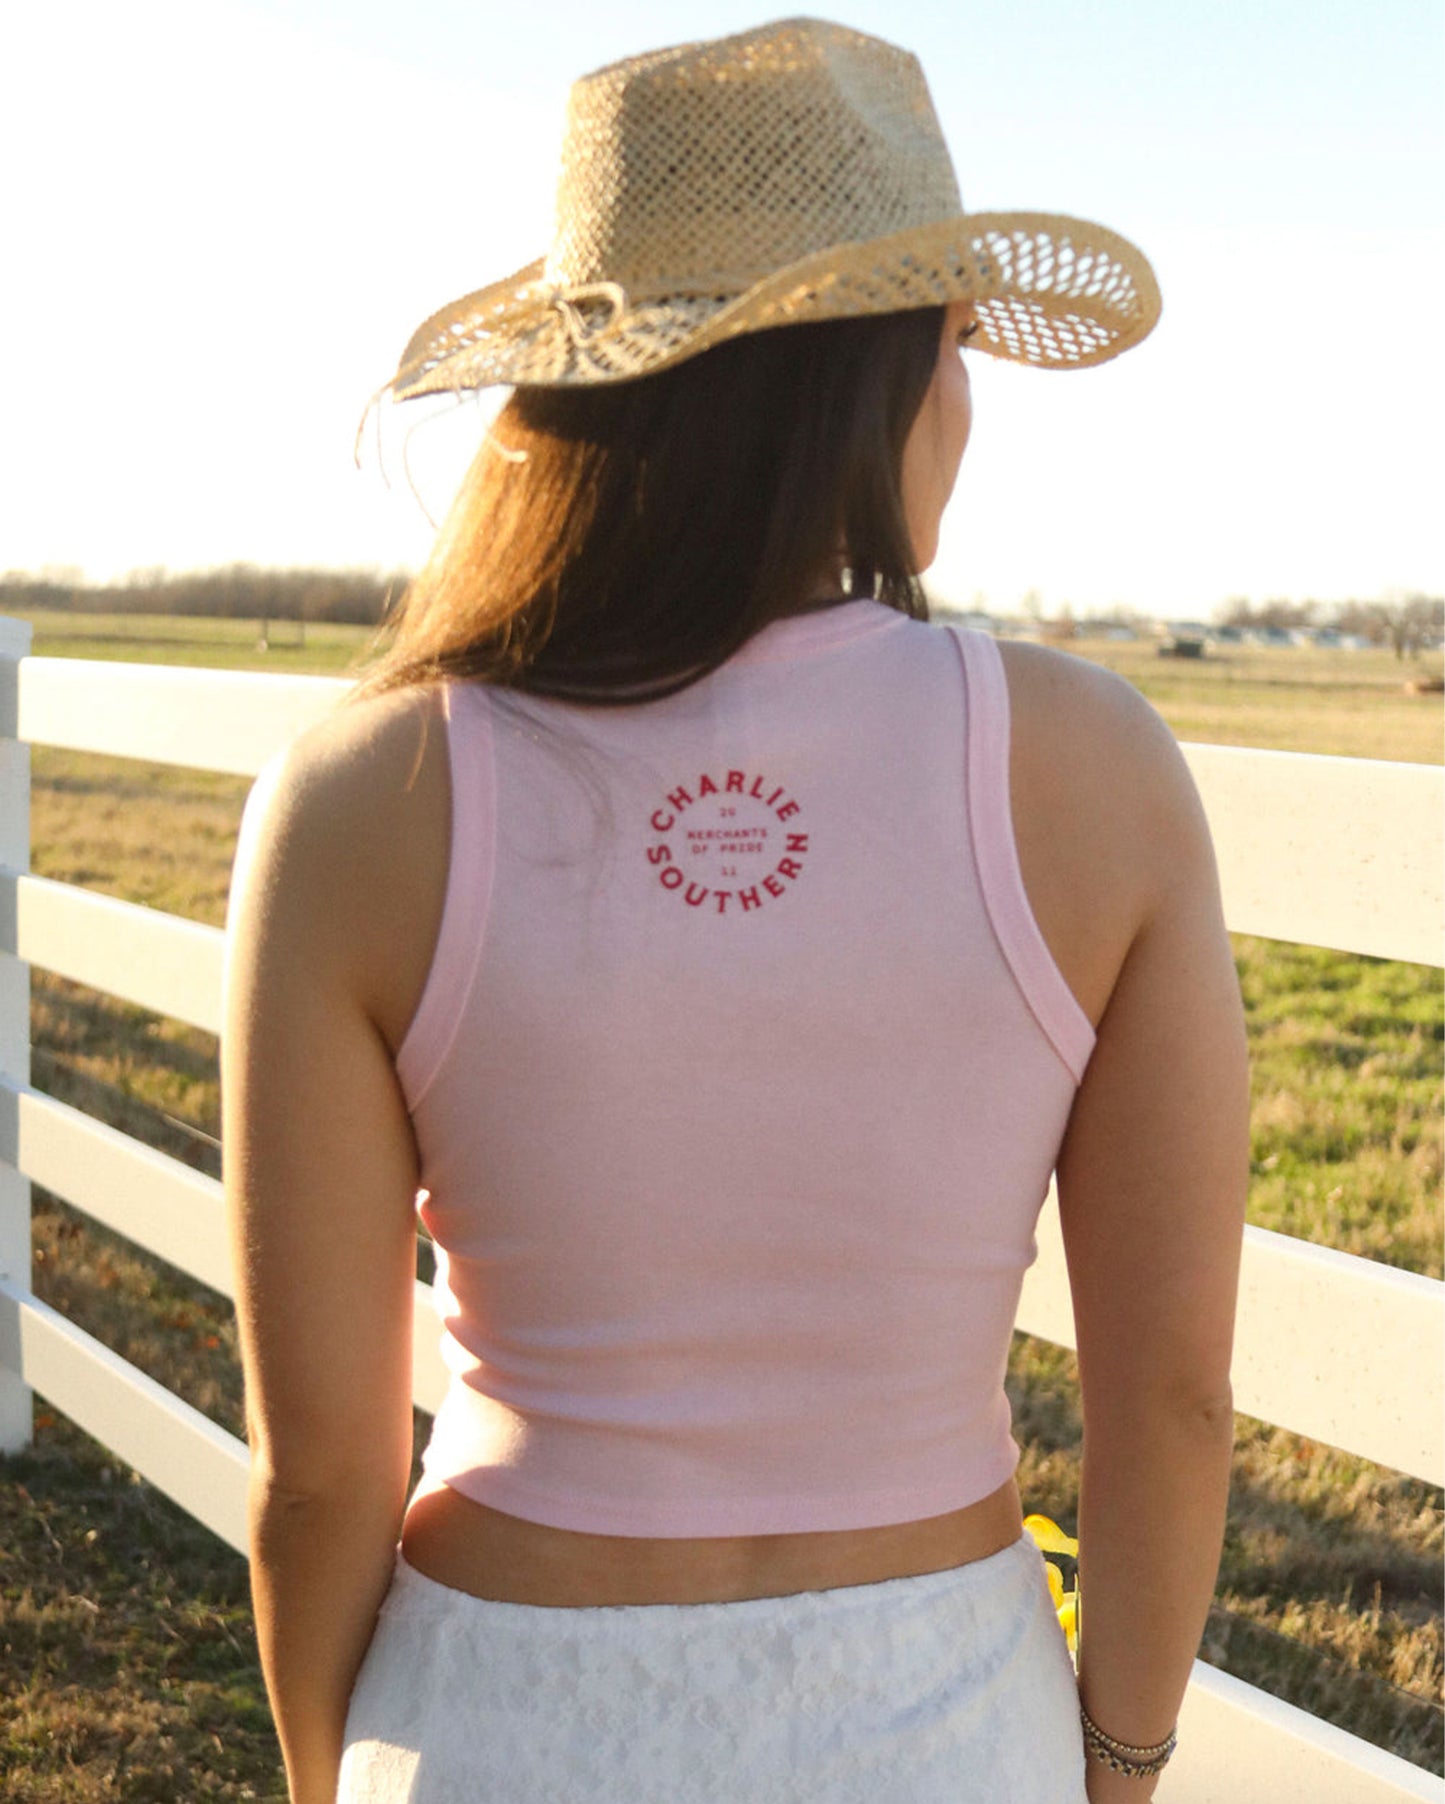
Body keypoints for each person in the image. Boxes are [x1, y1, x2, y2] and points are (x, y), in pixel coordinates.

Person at [221, 18, 1248, 1804]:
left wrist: (335, 1772)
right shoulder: (1090, 766)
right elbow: (1167, 1405)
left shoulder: (363, 795)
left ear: (572, 389)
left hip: (497, 1716)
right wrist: (1119, 1765)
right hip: (936, 1710)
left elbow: (318, 1479)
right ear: (919, 364)